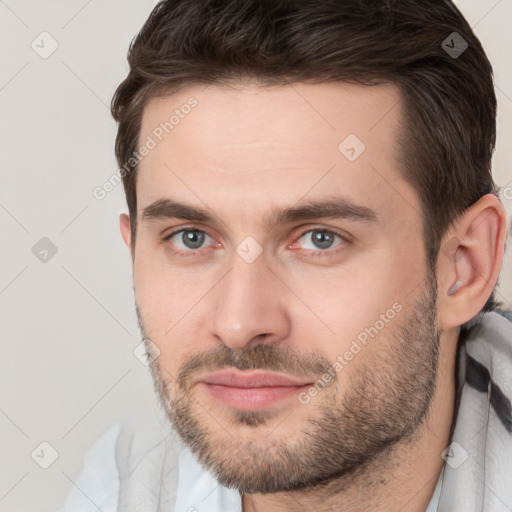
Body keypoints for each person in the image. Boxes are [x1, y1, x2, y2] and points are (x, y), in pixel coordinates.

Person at [62, 0, 512, 510]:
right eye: (191, 238)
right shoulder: (116, 487)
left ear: (464, 267)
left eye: (320, 238)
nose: (239, 324)